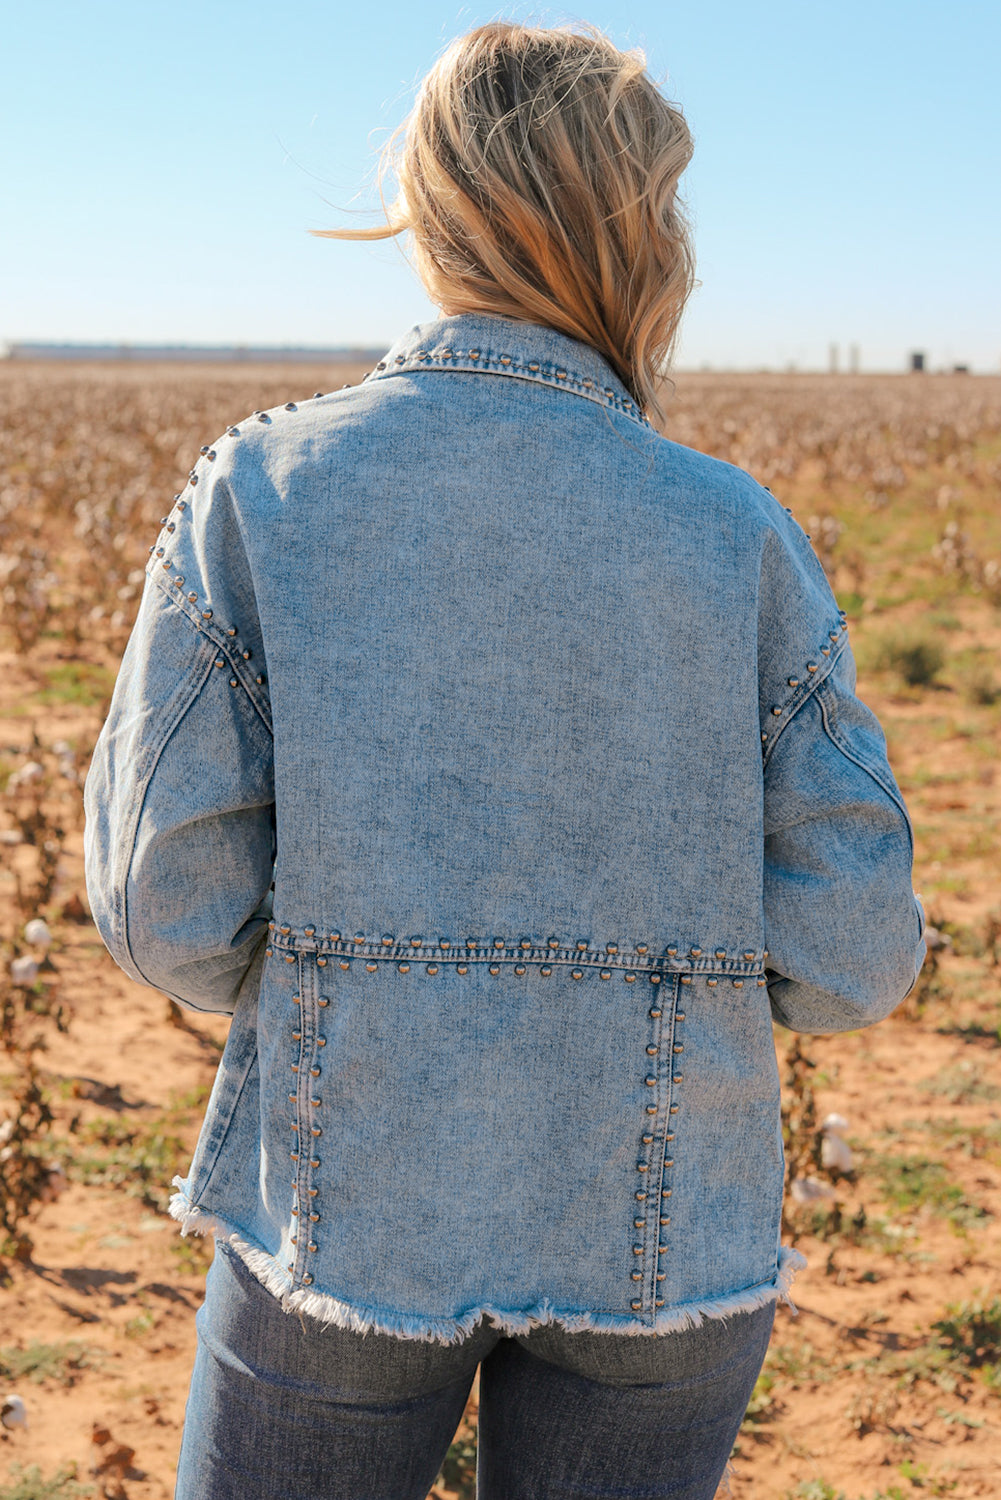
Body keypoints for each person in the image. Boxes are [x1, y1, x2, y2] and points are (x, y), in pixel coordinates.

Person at [83, 21, 925, 1500]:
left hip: (340, 1212)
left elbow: (168, 908)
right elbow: (850, 953)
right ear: (641, 231)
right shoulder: (734, 533)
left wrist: (348, 994)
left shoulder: (265, 491)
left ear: (431, 209)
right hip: (672, 1241)